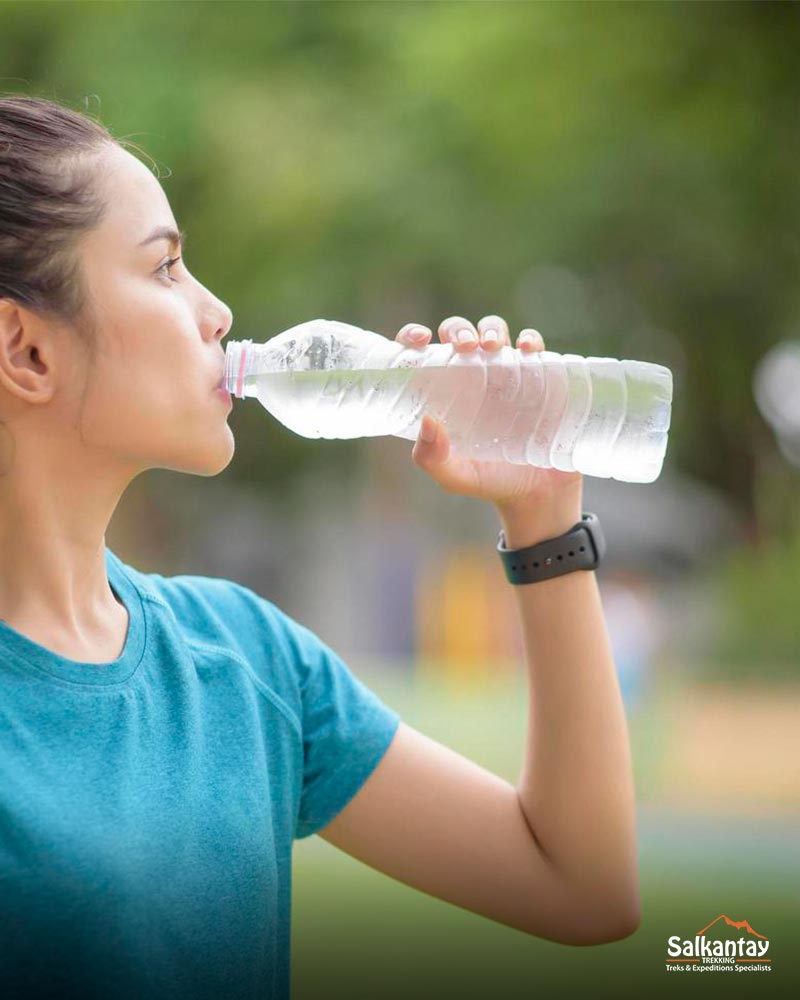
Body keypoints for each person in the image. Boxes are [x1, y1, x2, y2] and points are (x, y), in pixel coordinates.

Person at [0, 96, 640, 999]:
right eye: (167, 268)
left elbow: (584, 887)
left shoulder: (247, 658)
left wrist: (545, 525)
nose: (216, 312)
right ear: (25, 350)